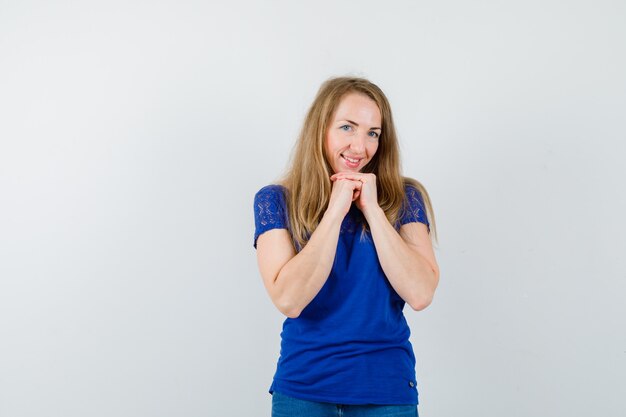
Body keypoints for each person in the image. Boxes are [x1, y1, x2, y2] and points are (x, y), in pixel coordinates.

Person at [253, 76, 440, 417]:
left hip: (386, 392)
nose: (360, 147)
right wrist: (336, 210)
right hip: (304, 391)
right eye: (347, 128)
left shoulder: (404, 199)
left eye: (373, 133)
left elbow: (420, 293)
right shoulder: (276, 201)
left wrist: (372, 210)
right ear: (320, 129)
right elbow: (290, 299)